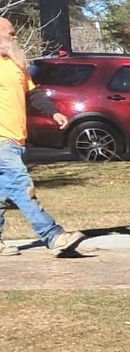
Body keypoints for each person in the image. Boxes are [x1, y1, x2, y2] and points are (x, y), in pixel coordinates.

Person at [0, 18, 79, 255]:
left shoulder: (15, 64)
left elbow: (32, 94)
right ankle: (53, 236)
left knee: (2, 194)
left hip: (16, 140)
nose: (16, 38)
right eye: (11, 34)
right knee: (22, 186)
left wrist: (54, 112)